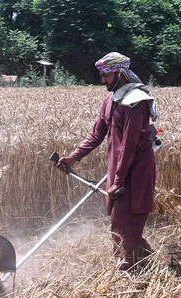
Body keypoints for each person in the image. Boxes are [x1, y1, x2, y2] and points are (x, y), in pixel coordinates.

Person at [57, 52, 158, 272]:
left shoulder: (136, 102)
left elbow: (130, 145)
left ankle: (129, 271)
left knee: (127, 220)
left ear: (120, 73)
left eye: (106, 75)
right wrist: (73, 157)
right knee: (117, 218)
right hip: (118, 165)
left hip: (136, 169)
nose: (102, 80)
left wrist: (119, 181)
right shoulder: (110, 100)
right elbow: (96, 134)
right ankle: (146, 261)